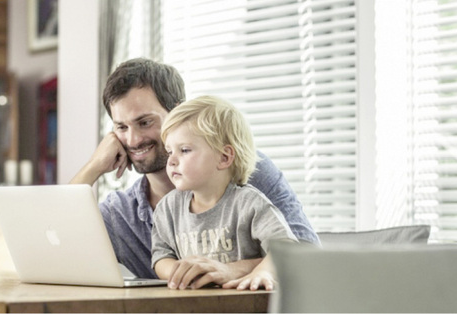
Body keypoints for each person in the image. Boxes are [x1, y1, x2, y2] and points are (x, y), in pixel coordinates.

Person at [70, 58, 319, 285]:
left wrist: (232, 269)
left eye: (145, 122)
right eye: (121, 127)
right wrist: (94, 166)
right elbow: (52, 246)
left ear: (178, 113)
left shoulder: (248, 171)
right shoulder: (120, 215)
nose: (133, 140)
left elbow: (306, 254)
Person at [152, 96, 298, 291]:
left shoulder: (248, 203)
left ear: (224, 157)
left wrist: (263, 272)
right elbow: (161, 256)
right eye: (170, 152)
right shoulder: (168, 208)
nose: (171, 161)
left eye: (184, 150)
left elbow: (287, 248)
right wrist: (185, 273)